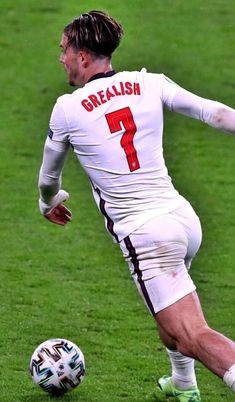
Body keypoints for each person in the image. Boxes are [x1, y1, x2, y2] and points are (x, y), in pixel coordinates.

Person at [38, 10, 235, 402]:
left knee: (193, 334)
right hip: (182, 219)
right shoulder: (149, 83)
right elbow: (216, 114)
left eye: (63, 50)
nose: (60, 58)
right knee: (168, 310)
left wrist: (49, 203)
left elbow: (48, 179)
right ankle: (183, 385)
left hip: (148, 236)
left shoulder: (68, 108)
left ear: (82, 56)